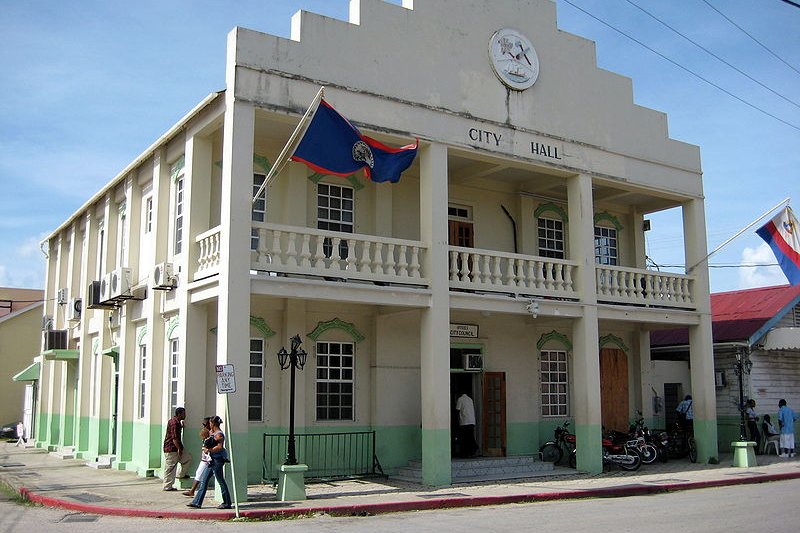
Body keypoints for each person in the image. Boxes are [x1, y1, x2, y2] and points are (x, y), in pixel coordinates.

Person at [188, 415, 232, 509]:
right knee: (204, 481)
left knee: (221, 481)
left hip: (217, 460)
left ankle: (227, 503)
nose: (209, 424)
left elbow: (220, 447)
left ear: (214, 423)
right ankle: (197, 502)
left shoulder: (219, 434)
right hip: (210, 461)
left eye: (211, 423)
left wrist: (209, 450)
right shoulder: (211, 432)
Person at [162, 407, 191, 491]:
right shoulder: (175, 423)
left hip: (173, 447)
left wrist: (181, 426)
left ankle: (180, 474)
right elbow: (174, 438)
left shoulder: (174, 422)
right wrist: (179, 449)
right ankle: (167, 486)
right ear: (179, 414)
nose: (185, 415)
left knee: (187, 459)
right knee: (170, 467)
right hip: (172, 448)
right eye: (183, 414)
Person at [183, 417, 212, 497]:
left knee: (203, 476)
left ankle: (194, 492)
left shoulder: (212, 434)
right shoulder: (206, 433)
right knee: (199, 474)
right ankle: (192, 491)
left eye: (205, 424)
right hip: (205, 458)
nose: (204, 426)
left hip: (208, 460)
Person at [455, 391, 478, 458]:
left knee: (465, 438)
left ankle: (469, 451)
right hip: (471, 421)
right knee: (470, 437)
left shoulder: (460, 399)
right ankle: (471, 451)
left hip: (465, 422)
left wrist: (456, 421)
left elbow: (457, 410)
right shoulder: (470, 399)